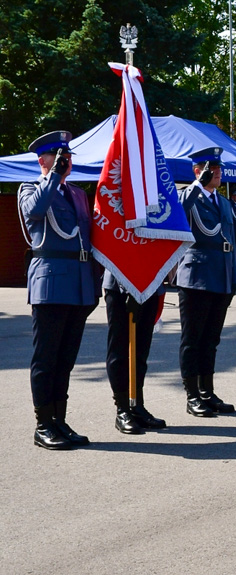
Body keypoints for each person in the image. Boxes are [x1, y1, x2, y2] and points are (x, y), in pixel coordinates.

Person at [18, 130, 101, 450]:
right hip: (51, 282)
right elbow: (34, 212)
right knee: (47, 358)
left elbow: (90, 234)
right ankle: (43, 424)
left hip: (79, 283)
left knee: (65, 359)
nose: (66, 162)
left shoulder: (79, 194)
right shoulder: (30, 188)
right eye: (59, 157)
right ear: (43, 160)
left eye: (68, 158)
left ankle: (59, 419)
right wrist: (52, 177)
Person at [176, 146, 236, 417]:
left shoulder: (222, 202)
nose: (217, 173)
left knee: (211, 339)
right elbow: (178, 211)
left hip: (222, 274)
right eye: (212, 169)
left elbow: (230, 241)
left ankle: (207, 391)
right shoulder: (187, 196)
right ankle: (192, 395)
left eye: (219, 169)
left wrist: (234, 277)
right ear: (198, 171)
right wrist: (195, 185)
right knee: (193, 338)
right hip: (196, 276)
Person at [103, 271, 167, 434]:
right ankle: (122, 410)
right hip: (119, 285)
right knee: (120, 349)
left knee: (141, 350)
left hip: (149, 284)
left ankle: (137, 405)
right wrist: (128, 288)